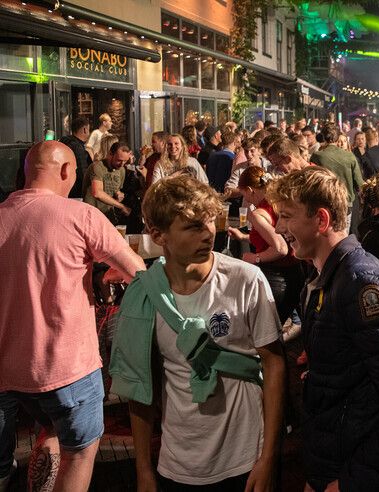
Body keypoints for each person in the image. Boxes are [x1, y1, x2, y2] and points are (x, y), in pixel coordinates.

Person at [108, 174, 284, 491]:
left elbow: (273, 363)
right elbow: (139, 390)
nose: (208, 235)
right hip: (179, 462)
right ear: (157, 234)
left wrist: (268, 457)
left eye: (208, 223)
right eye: (192, 227)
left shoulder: (246, 279)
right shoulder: (145, 295)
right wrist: (144, 470)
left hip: (246, 455)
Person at [268, 167, 379, 491]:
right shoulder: (325, 277)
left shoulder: (362, 284)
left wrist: (352, 481)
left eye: (287, 216)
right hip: (336, 454)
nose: (279, 227)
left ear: (321, 219)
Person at [0, 141, 144, 491]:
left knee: (44, 434)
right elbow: (138, 273)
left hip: (6, 367)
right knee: (78, 454)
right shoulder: (81, 216)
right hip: (67, 367)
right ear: (66, 171)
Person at [227, 166, 303, 325]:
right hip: (296, 273)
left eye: (244, 195)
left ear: (250, 189)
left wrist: (254, 258)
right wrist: (243, 237)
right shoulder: (280, 203)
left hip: (276, 278)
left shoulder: (258, 214)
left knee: (267, 331)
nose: (246, 200)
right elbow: (274, 238)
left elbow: (280, 248)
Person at [310, 123, 364, 232]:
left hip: (325, 202)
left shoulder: (317, 156)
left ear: (324, 137)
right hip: (346, 203)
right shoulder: (349, 156)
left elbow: (311, 180)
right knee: (342, 235)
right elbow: (359, 183)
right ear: (337, 137)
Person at [82, 140, 133, 223]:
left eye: (125, 161)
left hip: (109, 217)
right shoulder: (97, 167)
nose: (122, 164)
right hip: (92, 216)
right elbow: (97, 192)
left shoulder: (121, 170)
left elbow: (115, 189)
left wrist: (118, 194)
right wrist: (122, 206)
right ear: (110, 154)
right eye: (119, 160)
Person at [60, 116, 92, 199]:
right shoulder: (77, 147)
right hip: (76, 192)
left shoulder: (64, 143)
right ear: (85, 129)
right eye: (89, 129)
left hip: (65, 188)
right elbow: (82, 172)